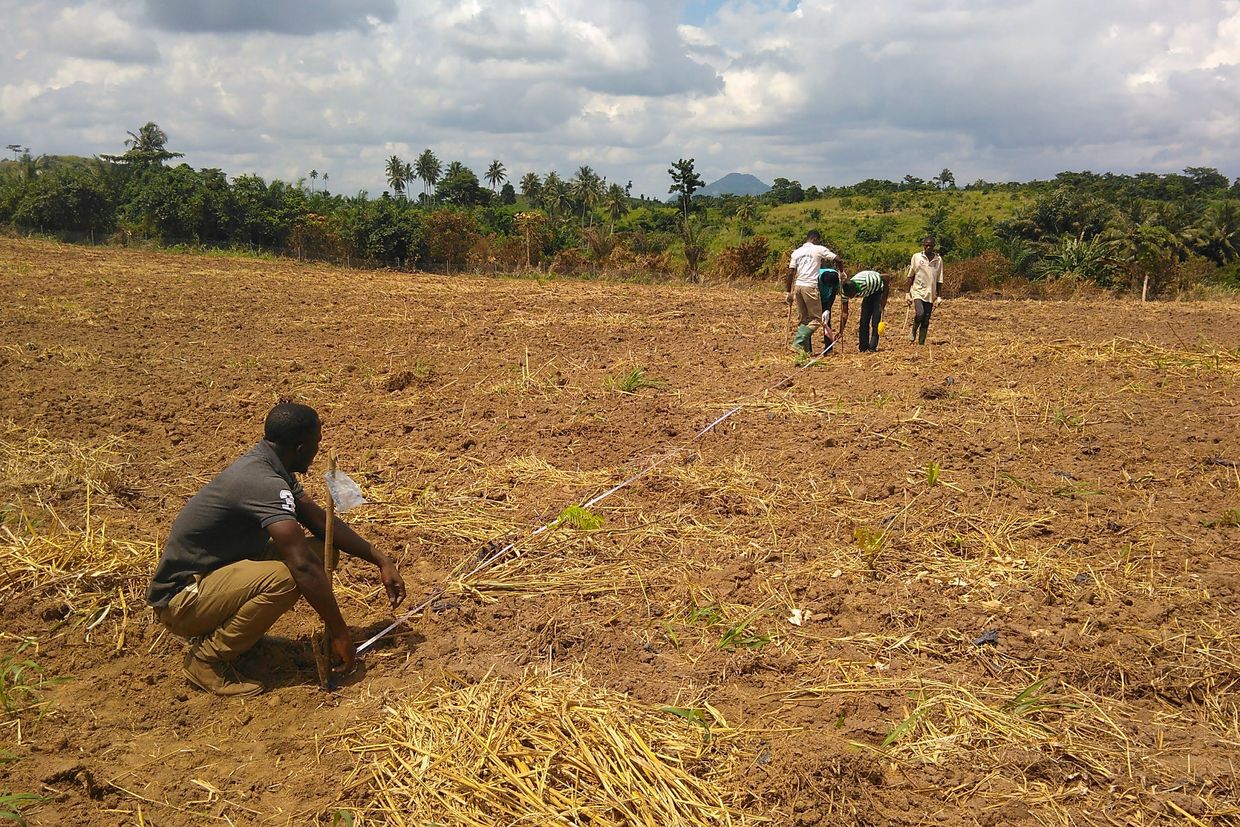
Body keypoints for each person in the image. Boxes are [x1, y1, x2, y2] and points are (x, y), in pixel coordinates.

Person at [146, 403, 407, 697]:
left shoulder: (271, 465)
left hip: (215, 576)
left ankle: (244, 639)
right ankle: (206, 659)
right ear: (299, 447)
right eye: (315, 444)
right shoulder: (264, 482)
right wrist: (339, 633)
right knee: (289, 575)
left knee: (322, 552)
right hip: (182, 600)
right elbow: (302, 566)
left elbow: (321, 521)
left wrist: (380, 559)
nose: (317, 451)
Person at [783, 230, 841, 353]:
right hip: (810, 286)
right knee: (817, 319)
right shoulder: (818, 249)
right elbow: (838, 259)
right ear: (815, 239)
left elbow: (790, 273)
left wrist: (788, 292)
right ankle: (797, 342)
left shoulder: (796, 252)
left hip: (798, 286)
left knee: (804, 320)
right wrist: (842, 272)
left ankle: (805, 351)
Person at [838, 270, 892, 352]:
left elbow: (886, 277)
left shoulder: (868, 281)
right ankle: (863, 348)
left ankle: (872, 348)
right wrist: (840, 331)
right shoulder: (844, 292)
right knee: (863, 321)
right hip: (868, 293)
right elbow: (844, 313)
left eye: (852, 295)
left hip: (878, 291)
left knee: (875, 321)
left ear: (856, 290)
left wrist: (884, 299)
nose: (851, 298)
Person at [906, 236, 944, 345]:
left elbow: (939, 279)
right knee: (920, 313)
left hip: (930, 293)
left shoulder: (938, 259)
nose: (928, 247)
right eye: (926, 245)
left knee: (926, 319)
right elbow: (911, 275)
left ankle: (921, 343)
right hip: (918, 290)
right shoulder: (917, 257)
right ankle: (913, 329)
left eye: (930, 245)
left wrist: (939, 296)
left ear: (933, 246)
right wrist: (907, 293)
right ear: (923, 245)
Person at [817, 264, 845, 355]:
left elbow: (833, 293)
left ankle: (828, 349)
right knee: (811, 321)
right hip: (814, 299)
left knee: (827, 322)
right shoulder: (815, 277)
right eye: (827, 285)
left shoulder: (836, 279)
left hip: (826, 300)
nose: (829, 287)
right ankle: (807, 349)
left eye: (831, 286)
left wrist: (828, 309)